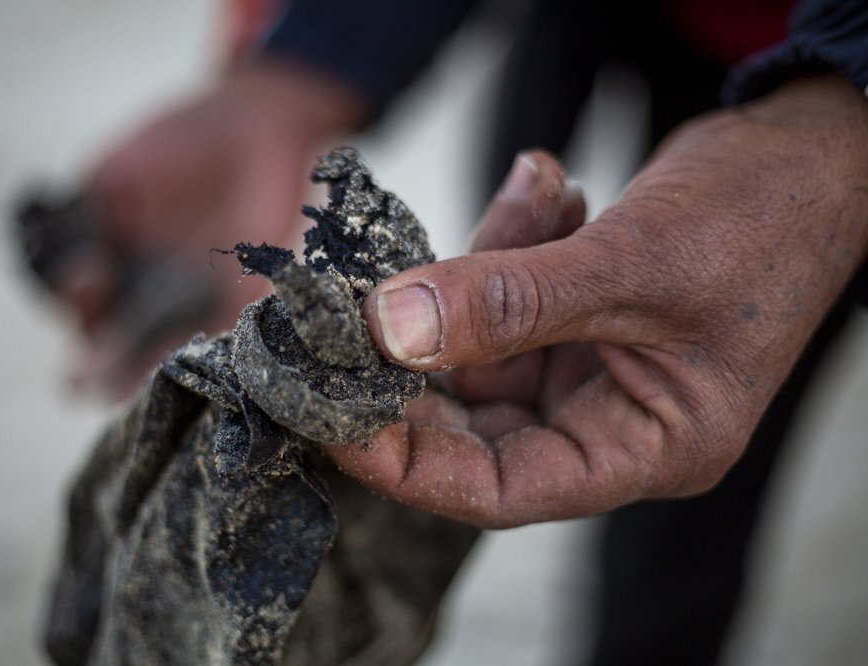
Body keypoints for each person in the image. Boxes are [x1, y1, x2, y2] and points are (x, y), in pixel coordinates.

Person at [56, 0, 868, 663]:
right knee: (546, 269)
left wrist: (839, 119)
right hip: (613, 28)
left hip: (806, 63)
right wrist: (306, 64)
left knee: (678, 416)